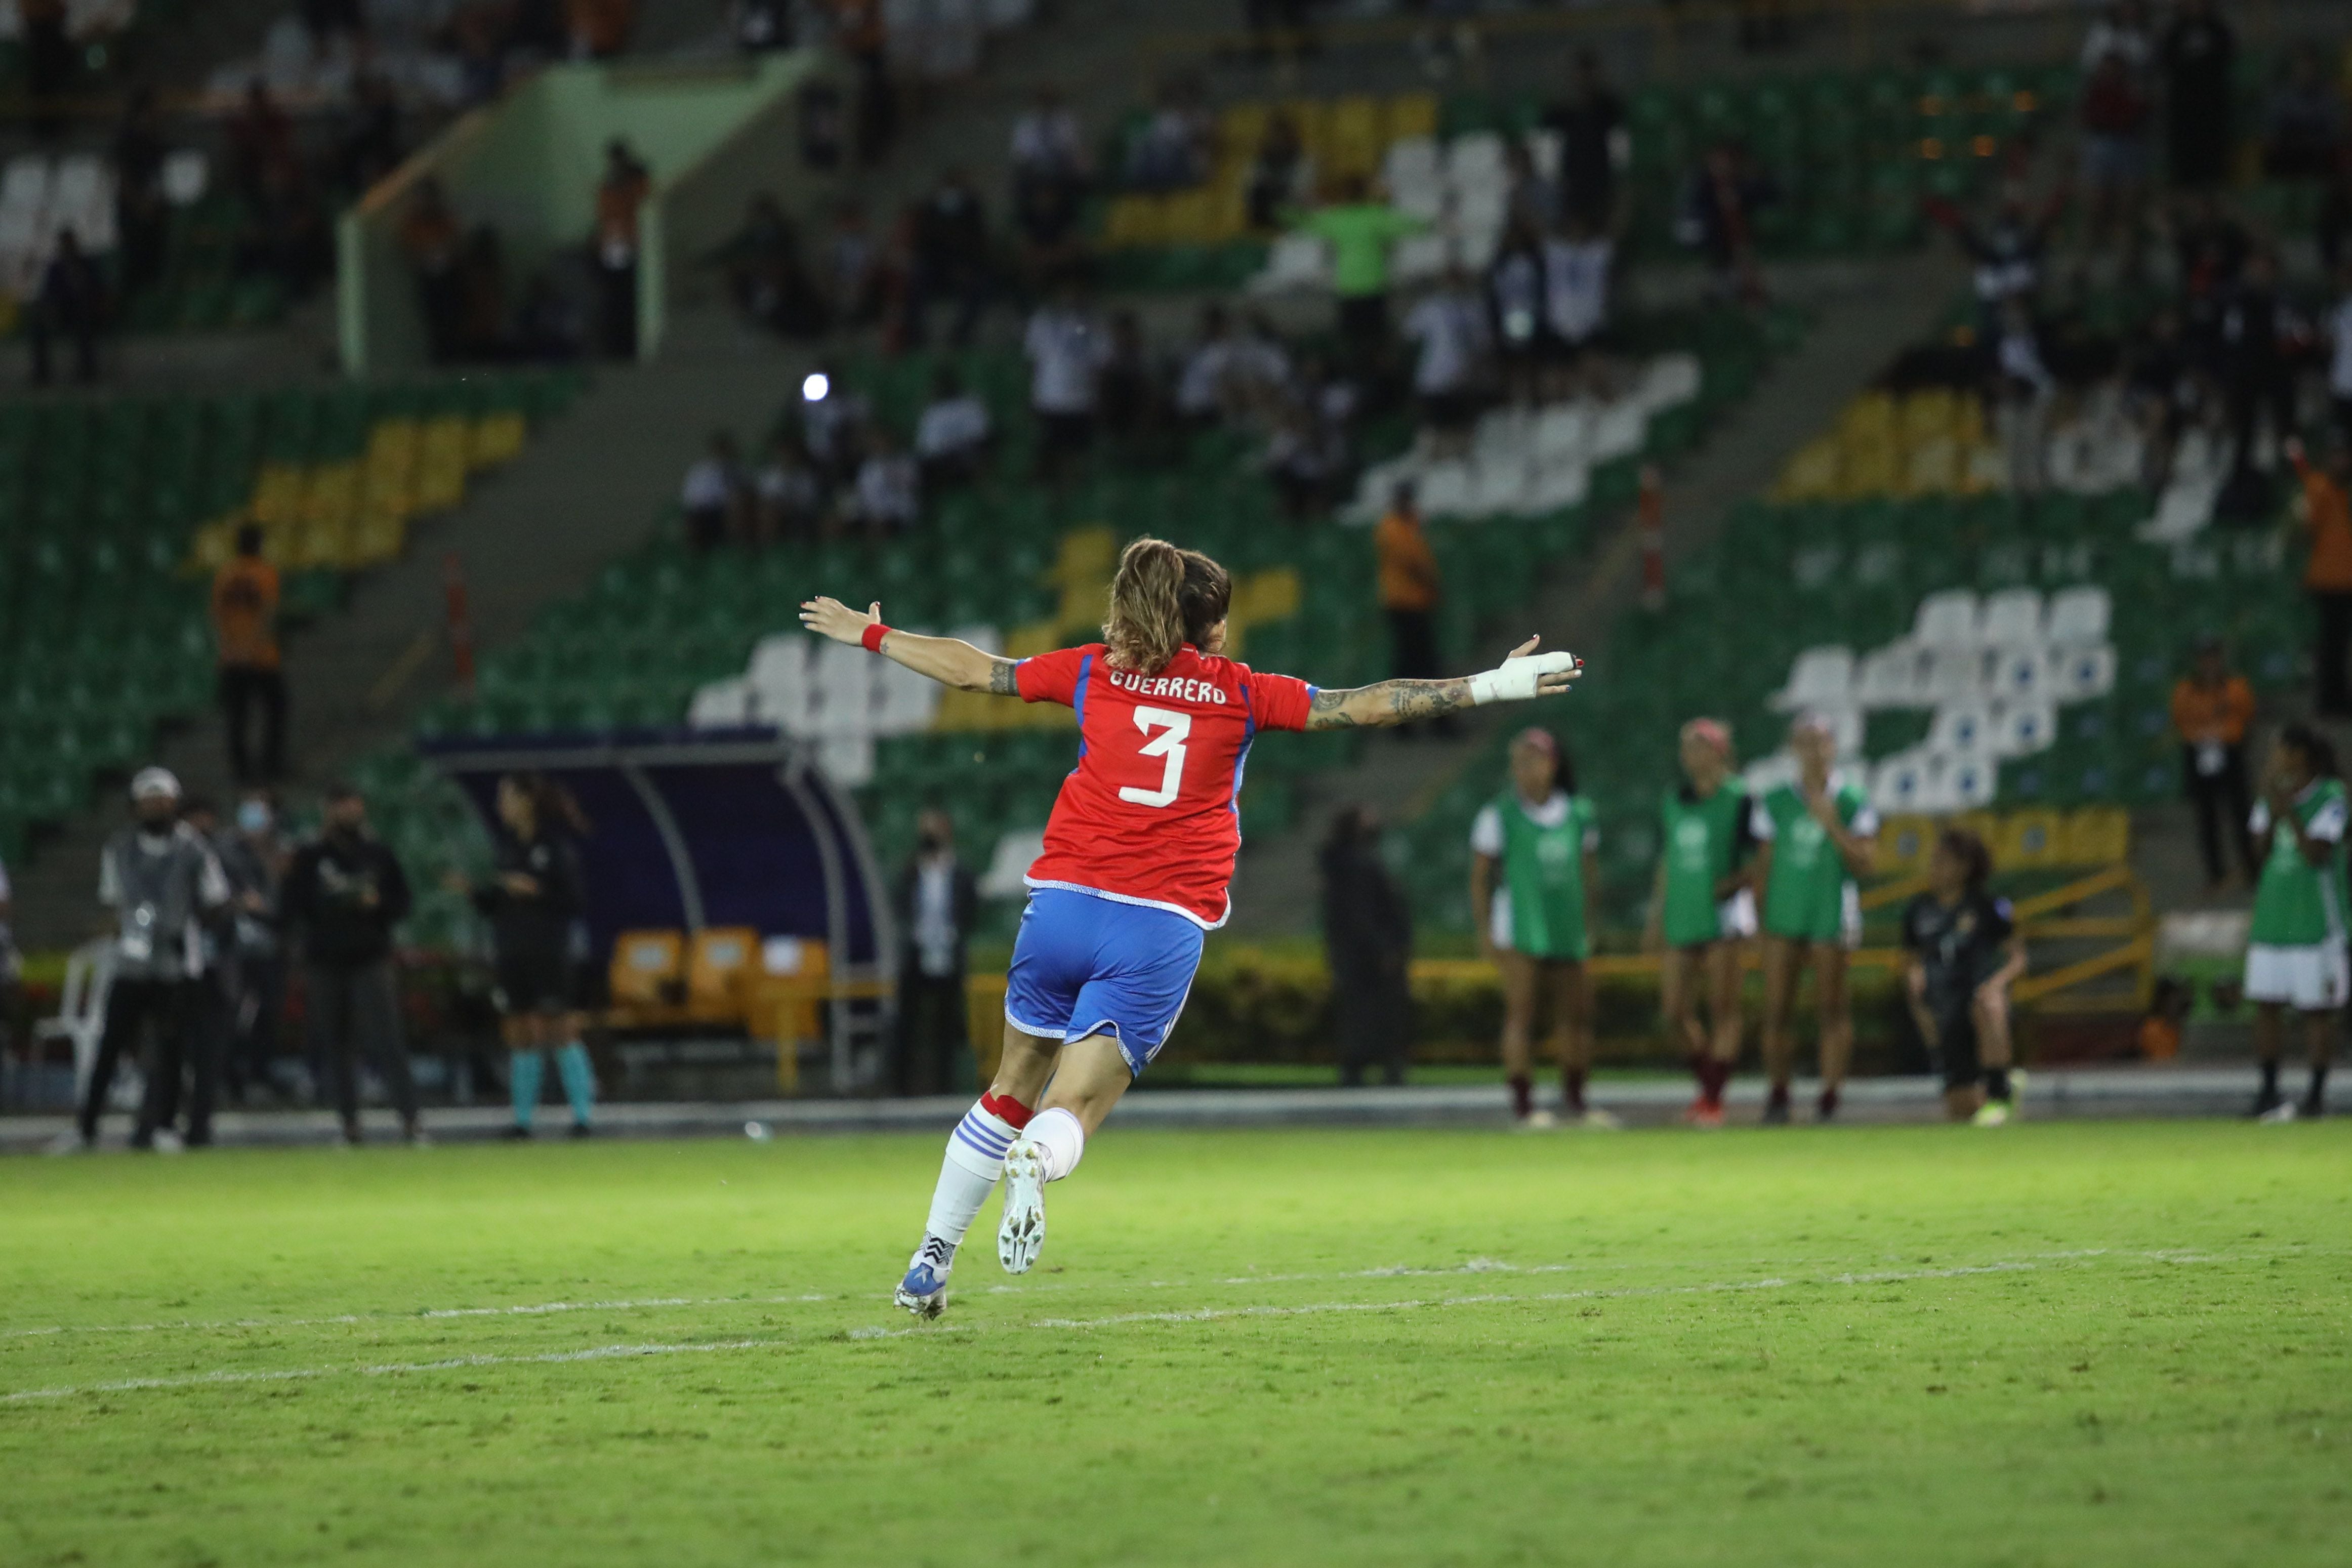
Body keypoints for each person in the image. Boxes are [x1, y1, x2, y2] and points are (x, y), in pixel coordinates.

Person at [798, 536, 1583, 1316]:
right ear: (1208, 629)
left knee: (1008, 1085)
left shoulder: (1091, 669)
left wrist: (871, 634)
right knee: (1069, 1106)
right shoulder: (1241, 692)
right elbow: (1366, 703)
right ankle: (1037, 1156)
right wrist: (1491, 684)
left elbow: (976, 669)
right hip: (1155, 927)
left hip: (1061, 907)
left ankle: (929, 1260)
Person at [66, 770, 231, 1153]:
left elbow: (216, 899)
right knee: (111, 1044)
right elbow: (112, 900)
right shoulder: (119, 848)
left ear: (173, 804)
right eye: (148, 801)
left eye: (163, 800)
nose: (156, 807)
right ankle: (86, 1127)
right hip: (132, 958)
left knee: (172, 1048)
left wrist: (183, 923)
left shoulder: (194, 849)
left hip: (175, 962)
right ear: (136, 806)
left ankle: (164, 1125)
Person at [1471, 729, 1606, 1129]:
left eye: (1533, 759)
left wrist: (1589, 922)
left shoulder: (1579, 813)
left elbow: (1589, 874)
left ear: (1553, 765)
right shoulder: (1498, 815)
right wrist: (1484, 932)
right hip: (1520, 925)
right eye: (1518, 761)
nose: (1524, 769)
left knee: (1577, 1016)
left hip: (1566, 924)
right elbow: (1480, 877)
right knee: (1521, 1015)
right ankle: (1524, 1105)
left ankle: (1577, 1099)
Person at [1751, 715, 1878, 1125]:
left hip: (1832, 910)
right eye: (1805, 742)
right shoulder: (1775, 801)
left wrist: (1833, 826)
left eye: (1821, 741)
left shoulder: (1852, 799)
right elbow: (1763, 866)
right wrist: (1759, 920)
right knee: (1776, 1009)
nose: (1813, 750)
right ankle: (1778, 1094)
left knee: (1832, 1008)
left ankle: (1828, 1097)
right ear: (1793, 749)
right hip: (1784, 913)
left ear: (1833, 748)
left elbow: (1865, 863)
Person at [453, 774, 595, 1138]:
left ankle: (583, 1118)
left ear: (526, 802)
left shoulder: (555, 848)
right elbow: (499, 906)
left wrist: (537, 891)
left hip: (549, 950)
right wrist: (474, 893)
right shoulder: (507, 849)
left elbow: (574, 902)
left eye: (507, 798)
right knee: (520, 1032)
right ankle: (522, 1121)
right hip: (512, 949)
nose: (501, 806)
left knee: (560, 1029)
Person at [281, 783, 423, 1145]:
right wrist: (325, 903)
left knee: (387, 1039)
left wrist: (375, 903)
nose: (347, 813)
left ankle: (410, 1122)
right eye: (340, 806)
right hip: (325, 960)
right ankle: (350, 1126)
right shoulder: (310, 856)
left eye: (353, 806)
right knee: (336, 1044)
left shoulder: (377, 853)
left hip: (370, 957)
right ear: (327, 810)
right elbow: (292, 906)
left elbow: (402, 903)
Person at [1646, 718, 1756, 1129]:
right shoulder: (1674, 800)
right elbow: (1666, 862)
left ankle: (1712, 1099)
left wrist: (1734, 884)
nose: (1689, 755)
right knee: (1674, 1011)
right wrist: (1656, 913)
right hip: (1682, 911)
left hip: (1724, 914)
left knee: (1723, 1009)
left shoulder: (1740, 797)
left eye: (1698, 746)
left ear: (1719, 752)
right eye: (1685, 747)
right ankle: (1709, 1087)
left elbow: (1759, 858)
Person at [2243, 724, 2346, 1121]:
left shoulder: (2331, 796)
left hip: (2314, 921)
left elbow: (2317, 854)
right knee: (2266, 1005)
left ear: (2302, 755)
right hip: (2272, 918)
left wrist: (2292, 815)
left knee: (2315, 1010)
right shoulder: (2269, 797)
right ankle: (2268, 1091)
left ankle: (2316, 1097)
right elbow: (2259, 855)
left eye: (2281, 751)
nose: (2275, 759)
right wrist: (2272, 811)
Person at [1901, 828, 2029, 1125]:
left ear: (1964, 866)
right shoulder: (1919, 910)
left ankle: (2000, 1089)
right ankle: (2003, 1084)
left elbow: (2018, 958)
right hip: (1944, 1005)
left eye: (1942, 861)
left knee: (1986, 1003)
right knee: (1962, 1109)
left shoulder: (1987, 907)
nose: (1934, 868)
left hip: (1978, 998)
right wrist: (1915, 983)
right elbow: (1909, 962)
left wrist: (1996, 984)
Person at [1292, 175, 1429, 383]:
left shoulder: (1336, 218)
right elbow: (1413, 226)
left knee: (1353, 342)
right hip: (1374, 285)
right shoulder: (1375, 216)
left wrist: (1301, 203)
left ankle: (1359, 381)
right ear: (1365, 194)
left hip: (1348, 288)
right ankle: (1383, 382)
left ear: (1344, 196)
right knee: (1377, 341)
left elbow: (1300, 221)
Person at [1319, 804, 1412, 1089]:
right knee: (1375, 1011)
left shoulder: (1344, 864)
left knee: (1359, 1011)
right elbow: (1363, 914)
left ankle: (1358, 1065)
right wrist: (1384, 948)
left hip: (1352, 952)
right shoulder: (1357, 865)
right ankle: (1372, 1065)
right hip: (1365, 954)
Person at [893, 808, 978, 1097]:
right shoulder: (912, 869)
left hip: (949, 954)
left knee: (947, 1024)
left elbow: (969, 906)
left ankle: (946, 1087)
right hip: (917, 955)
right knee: (908, 1021)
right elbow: (901, 904)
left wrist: (955, 933)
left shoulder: (958, 871)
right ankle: (901, 1089)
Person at [2171, 638, 2260, 889]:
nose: (2210, 663)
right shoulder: (2186, 691)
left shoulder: (2236, 687)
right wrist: (2204, 733)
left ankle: (2252, 869)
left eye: (2213, 657)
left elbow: (2247, 715)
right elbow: (2180, 719)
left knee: (2241, 813)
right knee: (2207, 817)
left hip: (2229, 751)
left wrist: (2225, 733)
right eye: (2205, 658)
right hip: (2199, 754)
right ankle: (2215, 874)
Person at [218, 790, 287, 1102]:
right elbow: (217, 892)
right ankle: (229, 1076)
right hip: (236, 944)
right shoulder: (227, 850)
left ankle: (260, 1074)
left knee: (268, 1013)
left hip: (275, 943)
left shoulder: (281, 852)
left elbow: (287, 899)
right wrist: (240, 903)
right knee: (232, 1012)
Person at [212, 524, 287, 786]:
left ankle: (241, 770)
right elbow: (268, 612)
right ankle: (271, 765)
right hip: (261, 657)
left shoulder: (226, 574)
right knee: (277, 708)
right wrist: (253, 646)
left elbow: (218, 615)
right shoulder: (265, 573)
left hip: (232, 658)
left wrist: (230, 647)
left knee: (238, 715)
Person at [2287, 435, 2352, 717]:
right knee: (2332, 642)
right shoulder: (2319, 488)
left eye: (2345, 455)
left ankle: (2339, 696)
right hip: (2328, 580)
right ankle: (2329, 700)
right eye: (2336, 455)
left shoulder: (2344, 491)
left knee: (2342, 642)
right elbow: (2304, 530)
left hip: (2348, 578)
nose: (2342, 461)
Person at [1023, 282, 1110, 483]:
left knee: (1077, 454)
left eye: (1077, 291)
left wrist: (1100, 398)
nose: (1072, 296)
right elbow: (1032, 362)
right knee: (1051, 452)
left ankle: (1076, 492)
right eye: (1067, 291)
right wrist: (1032, 396)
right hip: (1049, 400)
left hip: (1081, 401)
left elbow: (1101, 364)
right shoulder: (1042, 322)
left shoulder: (1094, 325)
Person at [1374, 481, 1445, 715]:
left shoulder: (1409, 523)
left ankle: (1420, 716)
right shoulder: (1392, 527)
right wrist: (1432, 581)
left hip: (1417, 602)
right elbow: (1414, 562)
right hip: (1403, 604)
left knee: (1419, 662)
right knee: (1412, 662)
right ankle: (1405, 717)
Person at [1402, 267, 1488, 458]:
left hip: (1463, 380)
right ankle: (1435, 464)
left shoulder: (1474, 308)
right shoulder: (1431, 307)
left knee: (1461, 430)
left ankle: (1457, 467)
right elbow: (1409, 333)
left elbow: (1483, 344)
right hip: (1434, 380)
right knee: (1434, 429)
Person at [1545, 51, 1627, 231]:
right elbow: (1548, 135)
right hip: (1573, 174)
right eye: (1579, 73)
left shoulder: (1608, 105)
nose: (1583, 78)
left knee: (1600, 223)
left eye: (1587, 73)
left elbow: (1619, 142)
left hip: (1600, 174)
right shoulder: (1563, 109)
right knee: (1575, 223)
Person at [2158, 0, 2235, 191]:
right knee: (2185, 158)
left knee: (2210, 159)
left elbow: (2225, 57)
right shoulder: (2175, 31)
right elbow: (2167, 61)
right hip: (2183, 106)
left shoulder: (2218, 29)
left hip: (2211, 105)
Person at [592, 139, 650, 358]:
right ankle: (616, 348)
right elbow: (605, 215)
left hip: (629, 246)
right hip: (615, 246)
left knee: (627, 300)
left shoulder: (634, 181)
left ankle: (625, 347)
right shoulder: (611, 184)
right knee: (615, 300)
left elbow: (640, 204)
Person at [30, 225, 103, 386]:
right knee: (38, 325)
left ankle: (88, 372)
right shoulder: (56, 268)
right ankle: (41, 374)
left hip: (85, 312)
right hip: (62, 313)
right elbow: (48, 293)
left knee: (83, 320)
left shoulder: (87, 264)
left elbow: (96, 289)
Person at [914, 366, 992, 489]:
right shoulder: (932, 413)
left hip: (969, 453)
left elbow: (982, 435)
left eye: (947, 384)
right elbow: (927, 449)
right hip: (944, 461)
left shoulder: (970, 404)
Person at [681, 432, 745, 553]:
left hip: (725, 512)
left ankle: (735, 552)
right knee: (692, 521)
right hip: (703, 513)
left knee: (736, 512)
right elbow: (690, 499)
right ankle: (694, 555)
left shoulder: (738, 471)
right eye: (719, 449)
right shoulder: (699, 471)